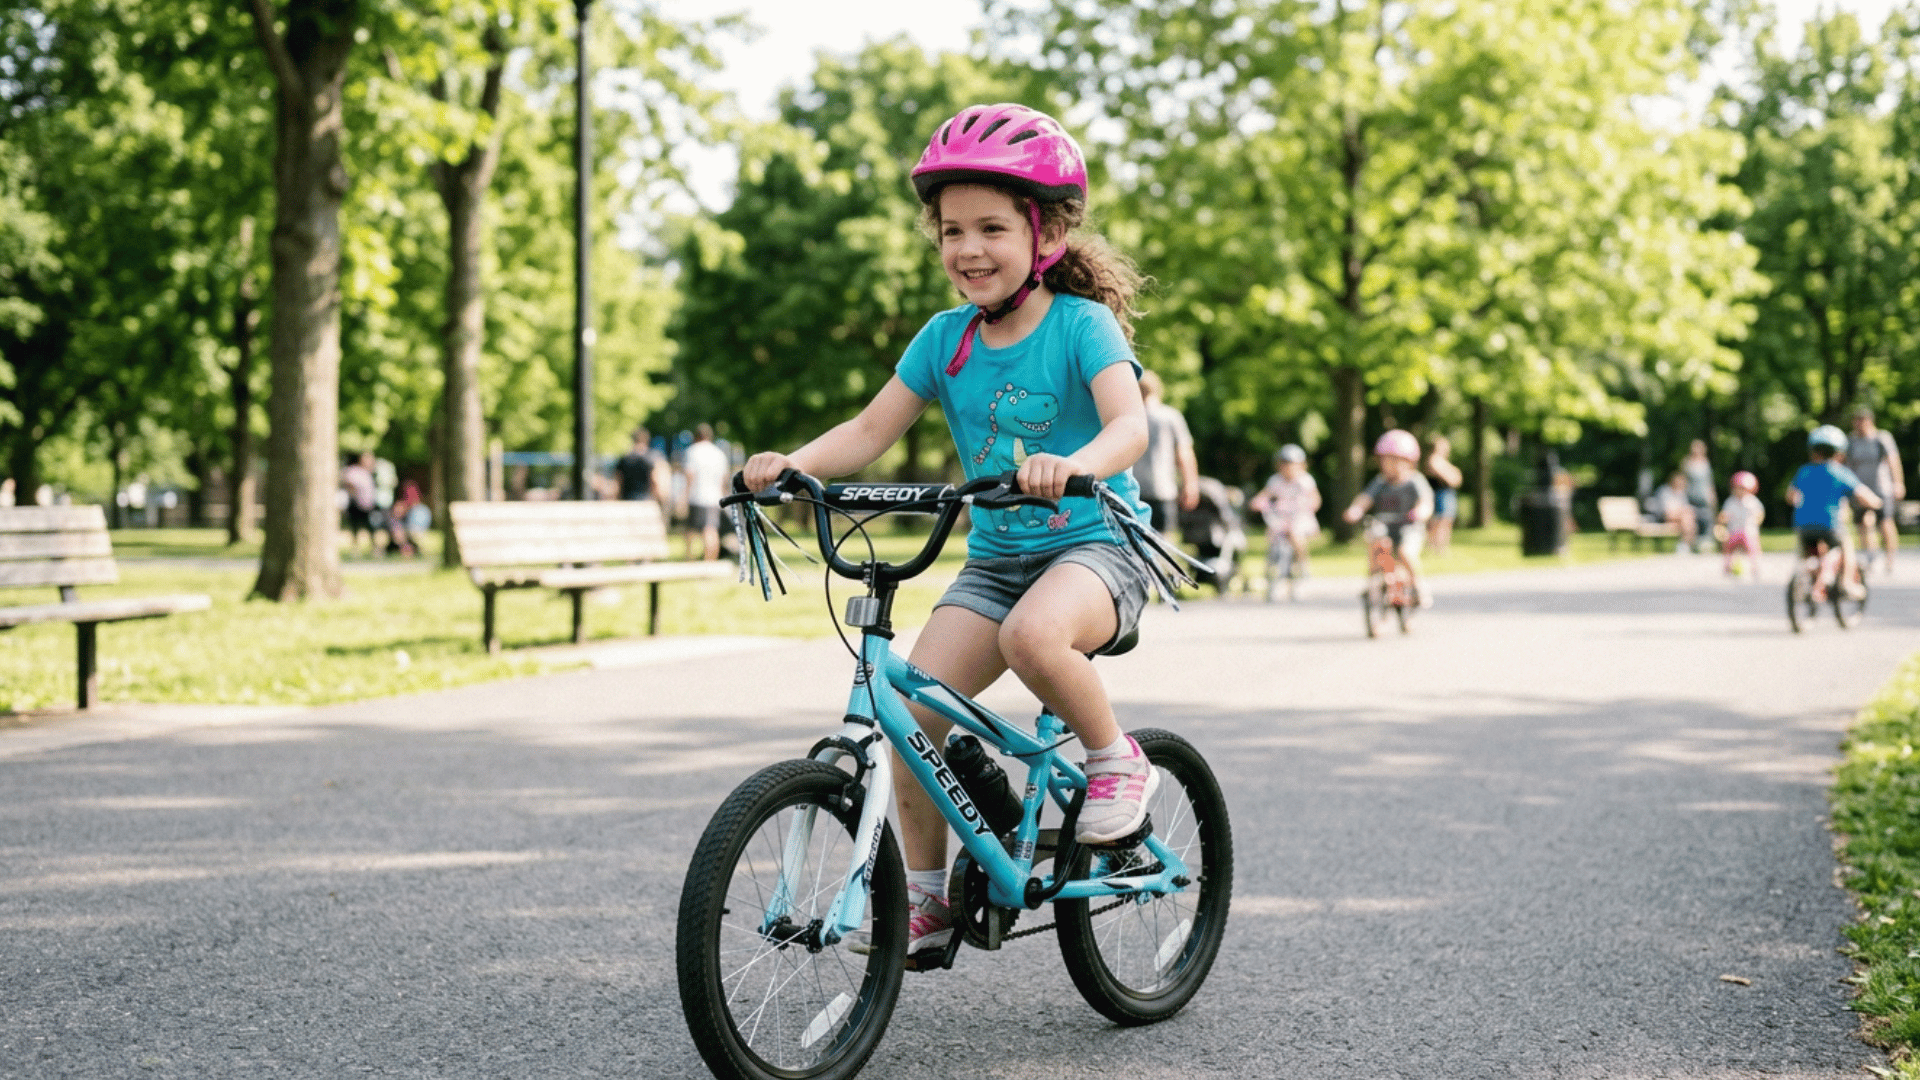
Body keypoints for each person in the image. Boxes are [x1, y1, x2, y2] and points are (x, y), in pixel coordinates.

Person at [738, 103, 1154, 961]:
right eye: (951, 230)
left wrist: (1074, 463)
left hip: (1096, 548)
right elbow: (866, 432)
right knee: (910, 711)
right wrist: (788, 466)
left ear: (1045, 233)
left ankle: (1118, 761)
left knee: (1035, 635)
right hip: (999, 560)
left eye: (992, 227)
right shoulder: (944, 339)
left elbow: (1129, 429)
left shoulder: (1081, 324)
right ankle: (924, 900)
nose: (968, 248)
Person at [1343, 429, 1434, 606]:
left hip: (1409, 526)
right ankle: (1374, 580)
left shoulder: (1415, 481)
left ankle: (1418, 585)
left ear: (1409, 462)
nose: (1388, 465)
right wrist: (1356, 509)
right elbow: (1365, 498)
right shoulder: (1380, 482)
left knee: (1405, 552)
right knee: (1375, 542)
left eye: (1394, 460)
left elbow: (1426, 501)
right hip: (1385, 524)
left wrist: (1421, 512)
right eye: (1384, 460)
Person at [1789, 424, 1881, 600]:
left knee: (1809, 550)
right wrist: (1877, 503)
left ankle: (1809, 576)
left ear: (1812, 451)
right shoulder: (1840, 473)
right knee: (1846, 545)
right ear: (1839, 453)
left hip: (1803, 524)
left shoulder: (1804, 471)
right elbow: (1863, 495)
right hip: (1829, 525)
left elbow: (1790, 496)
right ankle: (1846, 583)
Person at [1249, 443, 1320, 600]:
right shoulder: (1275, 481)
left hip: (1299, 517)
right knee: (1272, 535)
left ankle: (1302, 566)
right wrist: (1257, 502)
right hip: (1281, 518)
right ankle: (1271, 574)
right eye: (1284, 464)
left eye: (1291, 465)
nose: (1287, 468)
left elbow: (1315, 498)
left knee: (1295, 535)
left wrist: (1310, 505)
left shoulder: (1305, 481)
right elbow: (1265, 495)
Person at [1131, 369, 1198, 534]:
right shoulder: (1171, 416)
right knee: (1161, 544)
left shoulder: (1129, 417)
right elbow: (1184, 454)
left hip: (1132, 489)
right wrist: (1190, 485)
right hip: (1162, 489)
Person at [1846, 406, 1905, 574]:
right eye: (1855, 420)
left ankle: (1890, 559)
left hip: (1882, 488)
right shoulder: (1851, 441)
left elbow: (1893, 460)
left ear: (1869, 421)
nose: (1857, 424)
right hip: (1861, 489)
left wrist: (1898, 483)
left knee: (1885, 522)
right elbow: (1847, 464)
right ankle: (1870, 556)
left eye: (1860, 420)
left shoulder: (1882, 438)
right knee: (1862, 524)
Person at [680, 423, 730, 561]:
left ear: (696, 436)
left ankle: (689, 558)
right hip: (715, 497)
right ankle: (710, 560)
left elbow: (690, 476)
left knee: (691, 530)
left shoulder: (692, 451)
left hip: (696, 496)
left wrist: (684, 497)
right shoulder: (719, 454)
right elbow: (723, 479)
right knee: (711, 529)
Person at [1718, 470, 1764, 579]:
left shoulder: (1752, 501)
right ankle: (1728, 565)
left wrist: (1757, 520)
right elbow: (1724, 515)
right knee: (1727, 545)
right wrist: (1721, 521)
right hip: (1734, 531)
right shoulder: (1730, 502)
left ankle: (1755, 566)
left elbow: (1759, 514)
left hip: (1748, 531)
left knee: (1752, 546)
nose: (1740, 491)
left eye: (1743, 489)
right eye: (1738, 488)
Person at [1423, 435, 1463, 555]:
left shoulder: (1442, 461)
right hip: (1439, 493)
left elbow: (1457, 478)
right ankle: (1435, 547)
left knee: (1447, 520)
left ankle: (1442, 547)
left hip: (1447, 493)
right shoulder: (1433, 459)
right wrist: (1452, 473)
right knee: (1439, 521)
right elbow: (1452, 479)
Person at [339, 451, 378, 556]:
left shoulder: (368, 473)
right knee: (355, 528)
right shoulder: (353, 471)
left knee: (370, 527)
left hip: (368, 504)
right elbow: (347, 483)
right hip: (356, 504)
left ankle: (374, 548)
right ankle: (355, 549)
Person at [1681, 439, 1716, 553]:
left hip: (1704, 499)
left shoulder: (1706, 463)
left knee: (1706, 521)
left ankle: (1704, 545)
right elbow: (1683, 481)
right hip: (1690, 498)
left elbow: (1709, 482)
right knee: (1690, 521)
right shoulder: (1687, 463)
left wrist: (1712, 497)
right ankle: (1687, 545)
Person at [615, 426, 666, 504]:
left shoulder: (624, 459)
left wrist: (617, 498)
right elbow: (655, 480)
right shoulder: (651, 458)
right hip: (646, 500)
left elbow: (619, 481)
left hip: (627, 500)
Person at [1647, 472, 1697, 552]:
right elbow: (1667, 513)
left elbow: (1685, 509)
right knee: (1687, 519)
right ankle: (1686, 545)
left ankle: (1684, 545)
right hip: (1663, 519)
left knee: (1688, 518)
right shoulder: (1664, 492)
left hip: (1678, 520)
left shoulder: (1681, 493)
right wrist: (1682, 513)